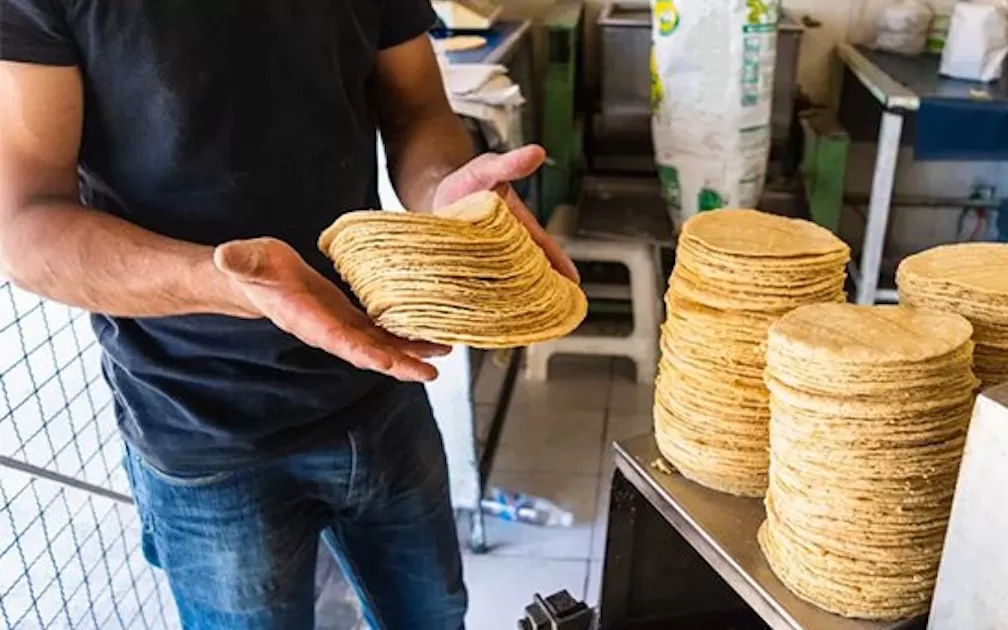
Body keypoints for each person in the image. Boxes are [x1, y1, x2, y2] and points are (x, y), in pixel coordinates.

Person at [0, 1, 578, 628]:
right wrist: (230, 283)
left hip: (379, 384)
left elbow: (416, 108)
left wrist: (444, 196)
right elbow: (27, 225)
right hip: (200, 427)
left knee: (433, 617)